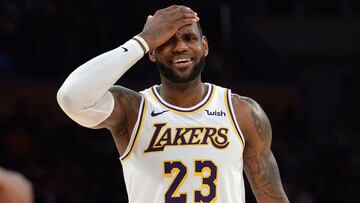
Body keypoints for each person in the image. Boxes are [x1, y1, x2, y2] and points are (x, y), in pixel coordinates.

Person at [57, 5, 289, 203]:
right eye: (167, 41)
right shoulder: (133, 110)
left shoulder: (243, 112)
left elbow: (271, 197)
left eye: (189, 38)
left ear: (205, 46)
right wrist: (142, 40)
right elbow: (71, 98)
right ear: (152, 52)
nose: (180, 47)